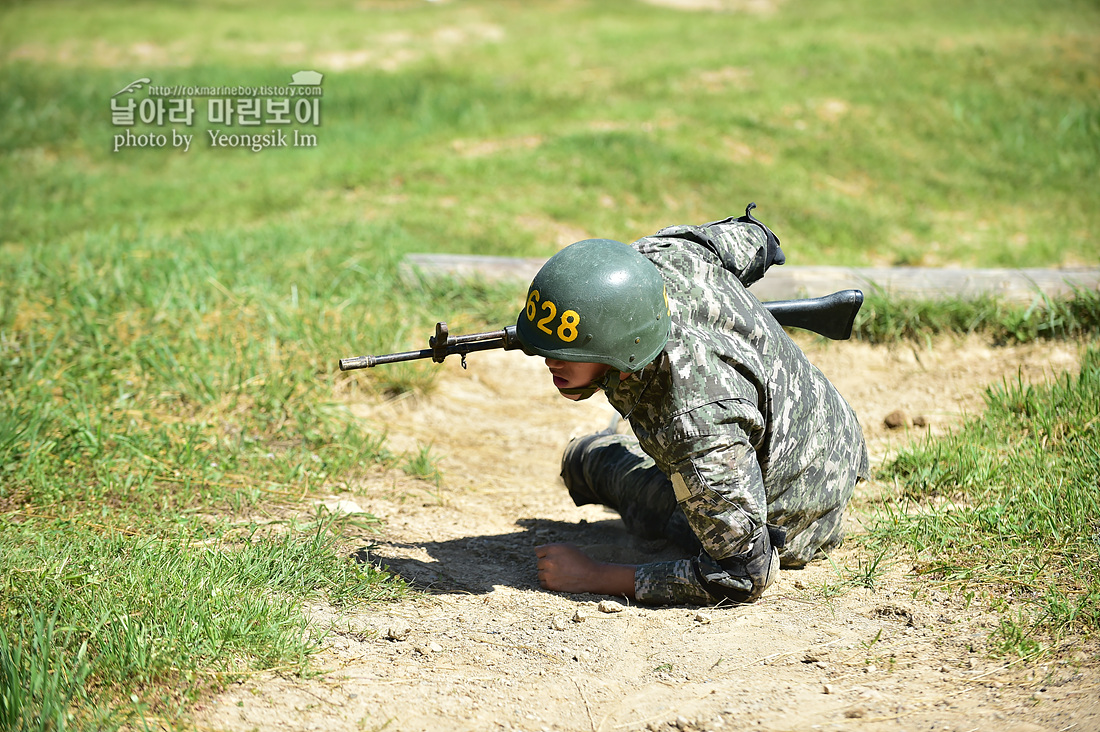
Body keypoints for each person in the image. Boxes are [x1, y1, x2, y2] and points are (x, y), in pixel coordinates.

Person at [515, 204, 869, 606]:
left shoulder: (695, 426)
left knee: (587, 461)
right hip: (830, 436)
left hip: (793, 511)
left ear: (622, 350)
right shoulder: (662, 256)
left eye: (571, 350)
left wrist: (594, 576)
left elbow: (744, 573)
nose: (549, 360)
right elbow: (757, 238)